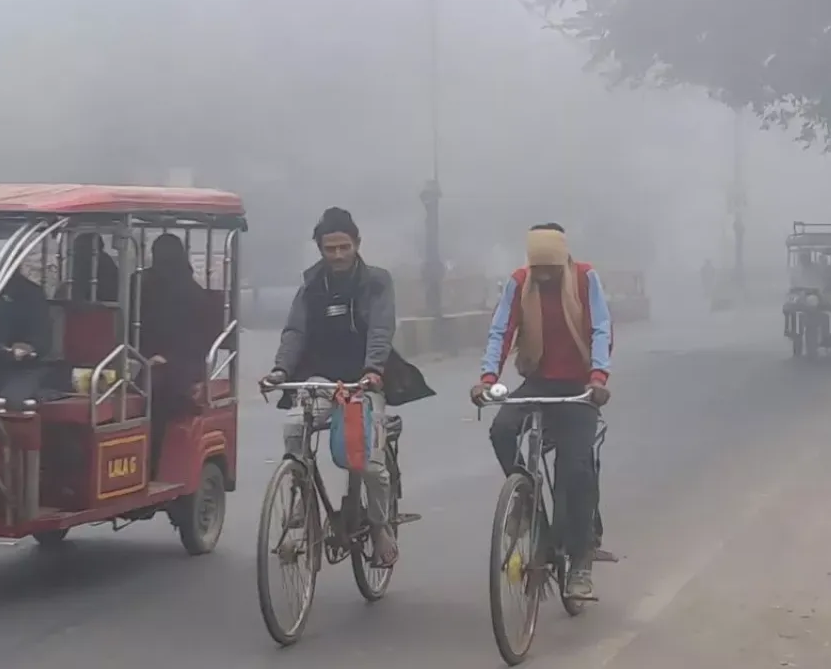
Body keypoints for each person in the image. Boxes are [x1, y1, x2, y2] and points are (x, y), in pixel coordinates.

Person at [261, 207, 434, 568]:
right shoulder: (311, 286)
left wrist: (373, 370)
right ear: (320, 249)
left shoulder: (376, 281)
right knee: (295, 425)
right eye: (330, 249)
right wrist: (280, 370)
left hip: (363, 378)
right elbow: (295, 332)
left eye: (344, 247)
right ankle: (299, 492)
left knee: (368, 463)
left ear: (356, 244)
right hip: (321, 377)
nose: (337, 255)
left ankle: (380, 524)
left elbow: (381, 329)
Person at [470, 224, 612, 600]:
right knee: (501, 430)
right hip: (538, 380)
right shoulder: (520, 283)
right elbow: (501, 332)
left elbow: (601, 328)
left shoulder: (585, 278)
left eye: (551, 269)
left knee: (575, 469)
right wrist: (487, 379)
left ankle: (581, 560)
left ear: (563, 261)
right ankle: (528, 507)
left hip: (581, 387)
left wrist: (598, 377)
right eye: (539, 269)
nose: (545, 276)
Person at [139, 233, 214, 471]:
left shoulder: (193, 295)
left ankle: (150, 465)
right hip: (142, 358)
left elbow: (198, 341)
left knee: (155, 393)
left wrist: (167, 358)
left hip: (181, 364)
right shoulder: (143, 284)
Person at [0, 269, 53, 404]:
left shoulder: (29, 292)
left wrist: (27, 347)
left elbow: (41, 338)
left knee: (11, 400)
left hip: (17, 367)